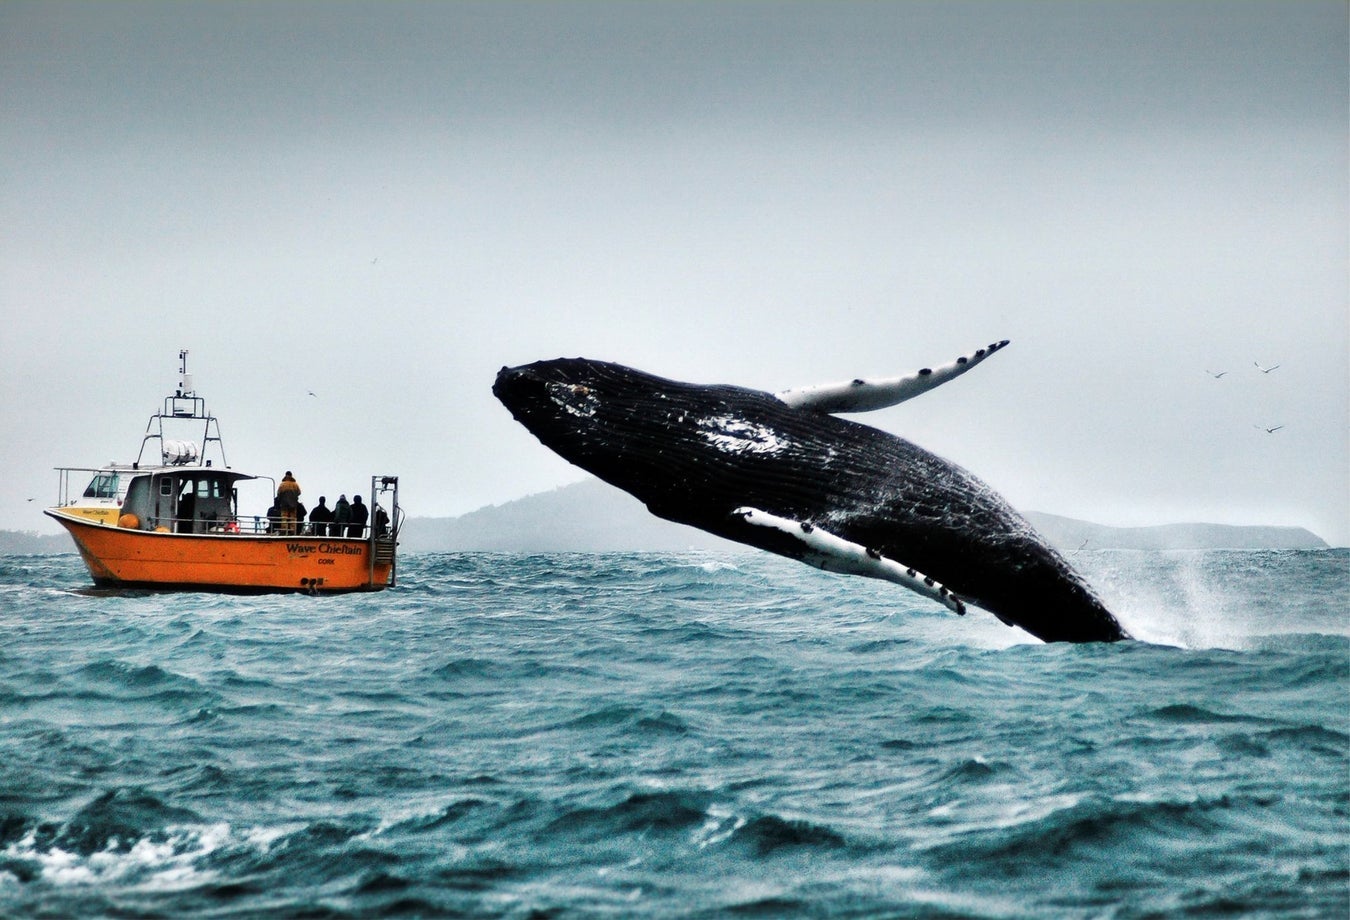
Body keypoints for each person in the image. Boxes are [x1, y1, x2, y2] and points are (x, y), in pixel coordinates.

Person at [276, 471, 302, 535]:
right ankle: (292, 531)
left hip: (284, 504)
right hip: (293, 504)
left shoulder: (282, 484)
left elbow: (278, 493)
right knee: (293, 518)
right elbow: (299, 492)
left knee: (284, 517)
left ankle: (284, 530)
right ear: (291, 475)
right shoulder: (295, 484)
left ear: (285, 475)